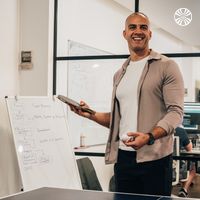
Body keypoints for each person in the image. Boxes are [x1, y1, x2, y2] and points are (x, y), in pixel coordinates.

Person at [70, 12, 184, 196]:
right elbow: (118, 120)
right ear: (125, 33)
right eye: (132, 27)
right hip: (123, 159)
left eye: (143, 27)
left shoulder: (166, 66)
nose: (137, 32)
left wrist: (149, 136)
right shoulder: (120, 73)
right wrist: (90, 114)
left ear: (150, 34)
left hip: (155, 160)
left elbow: (176, 112)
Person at [175, 127, 196, 197]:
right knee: (192, 167)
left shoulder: (155, 129)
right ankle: (184, 189)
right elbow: (189, 148)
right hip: (176, 169)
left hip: (159, 166)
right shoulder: (180, 130)